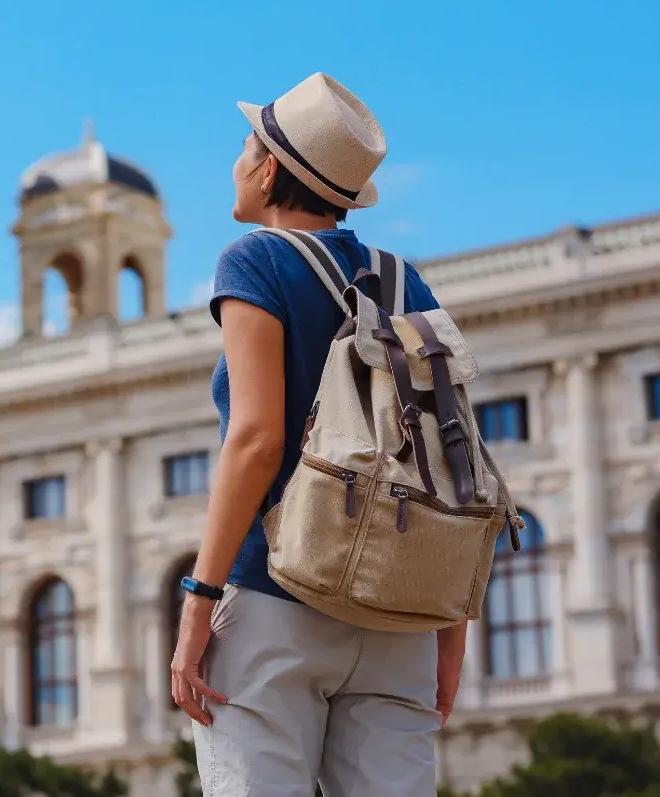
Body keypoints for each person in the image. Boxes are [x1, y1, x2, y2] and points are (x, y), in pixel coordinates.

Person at [170, 72, 465, 796]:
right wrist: (448, 629)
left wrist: (198, 601)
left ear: (269, 170)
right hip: (400, 614)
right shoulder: (405, 282)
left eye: (245, 148)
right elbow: (450, 462)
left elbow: (257, 440)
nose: (236, 163)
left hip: (274, 601)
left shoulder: (253, 261)